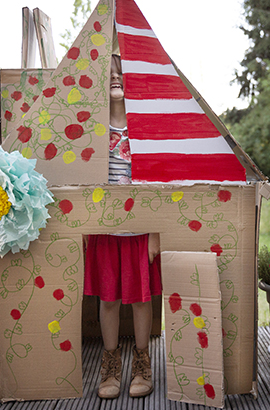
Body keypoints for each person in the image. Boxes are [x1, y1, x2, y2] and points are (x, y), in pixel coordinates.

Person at [83, 54, 162, 399]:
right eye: (109, 73)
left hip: (140, 229)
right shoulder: (91, 128)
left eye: (121, 72)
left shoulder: (144, 127)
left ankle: (142, 362)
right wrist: (84, 226)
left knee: (141, 299)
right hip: (103, 228)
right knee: (109, 299)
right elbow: (80, 179)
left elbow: (162, 182)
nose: (115, 77)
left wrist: (157, 232)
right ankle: (110, 362)